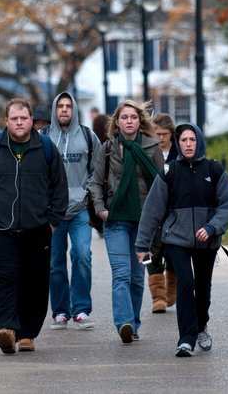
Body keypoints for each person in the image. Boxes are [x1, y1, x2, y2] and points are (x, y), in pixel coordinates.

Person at [0, 98, 68, 354]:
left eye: (24, 118)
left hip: (37, 228)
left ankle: (28, 333)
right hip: (0, 229)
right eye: (14, 119)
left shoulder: (46, 148)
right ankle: (4, 329)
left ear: (32, 121)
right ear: (6, 121)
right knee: (8, 277)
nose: (19, 123)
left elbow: (59, 187)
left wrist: (53, 220)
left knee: (35, 281)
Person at [135, 123, 228, 357]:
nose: (188, 144)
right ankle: (185, 339)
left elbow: (227, 206)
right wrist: (142, 244)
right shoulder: (169, 172)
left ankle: (201, 327)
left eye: (192, 140)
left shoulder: (215, 170)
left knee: (202, 287)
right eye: (183, 141)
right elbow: (152, 210)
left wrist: (211, 227)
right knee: (185, 282)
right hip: (176, 239)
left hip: (206, 240)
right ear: (178, 144)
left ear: (199, 141)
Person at [88, 100, 164, 343]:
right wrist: (100, 209)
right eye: (124, 117)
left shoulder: (152, 147)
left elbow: (161, 184)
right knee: (121, 273)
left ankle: (134, 322)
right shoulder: (108, 148)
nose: (129, 121)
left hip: (145, 224)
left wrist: (159, 217)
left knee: (136, 276)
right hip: (116, 219)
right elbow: (95, 181)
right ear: (117, 122)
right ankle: (125, 323)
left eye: (133, 117)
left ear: (139, 120)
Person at [47, 92, 101, 330]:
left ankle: (80, 309)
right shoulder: (44, 138)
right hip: (52, 212)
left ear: (75, 109)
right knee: (54, 262)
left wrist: (87, 193)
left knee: (82, 256)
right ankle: (60, 311)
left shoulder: (88, 136)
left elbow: (98, 170)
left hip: (80, 209)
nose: (65, 110)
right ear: (55, 110)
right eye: (60, 106)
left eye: (69, 106)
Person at [148, 112, 179, 312]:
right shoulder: (149, 152)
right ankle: (157, 297)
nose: (160, 138)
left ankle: (171, 291)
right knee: (153, 253)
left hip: (175, 211)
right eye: (157, 133)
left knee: (175, 253)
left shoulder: (180, 153)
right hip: (153, 210)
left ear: (171, 134)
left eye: (164, 134)